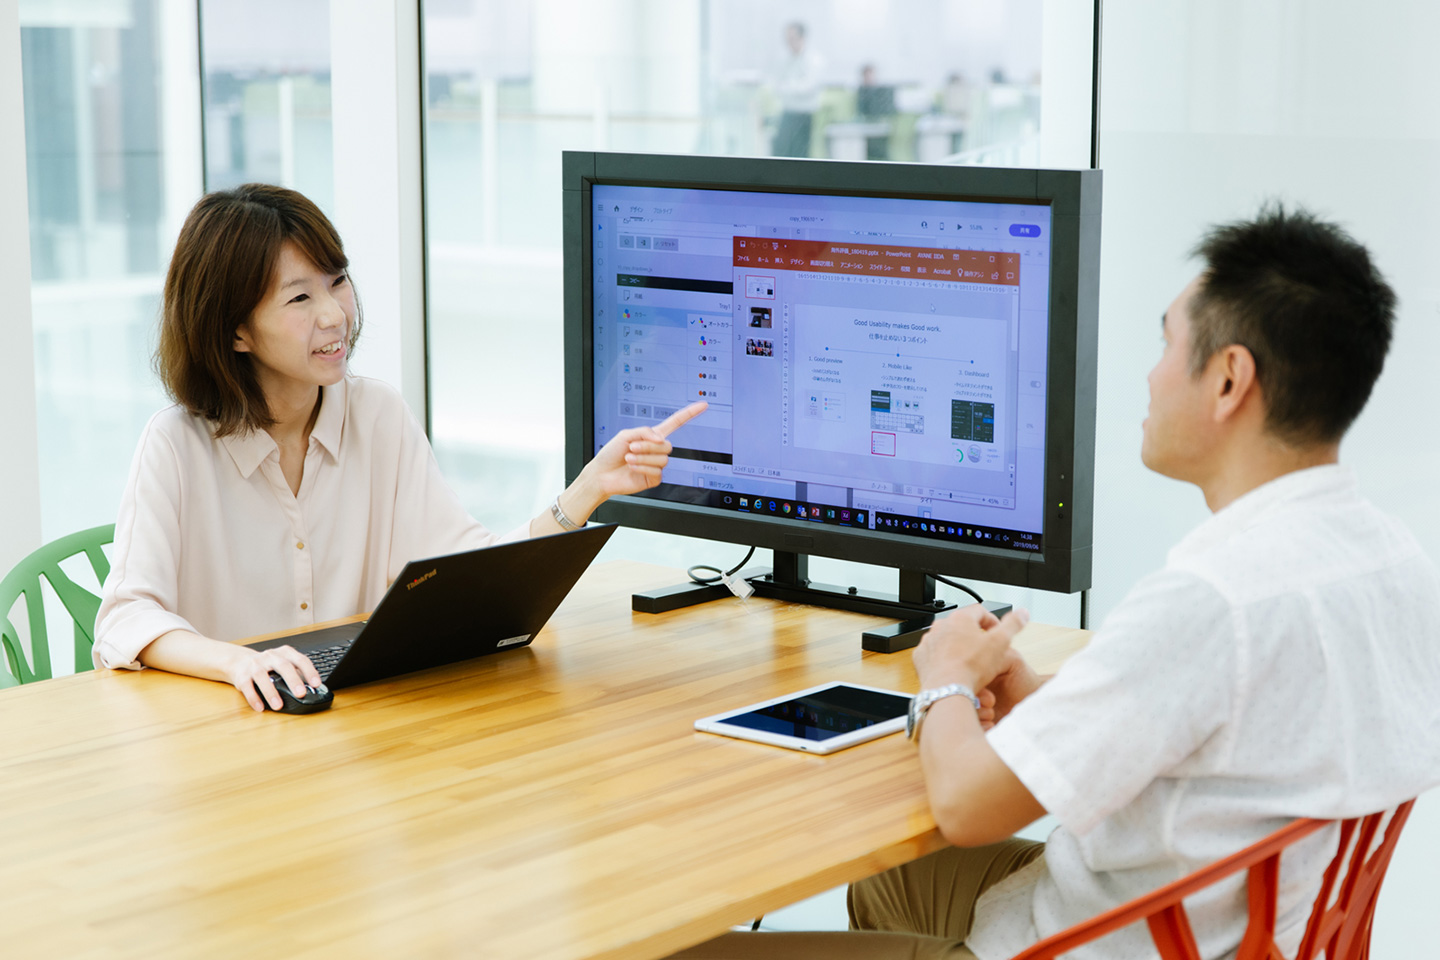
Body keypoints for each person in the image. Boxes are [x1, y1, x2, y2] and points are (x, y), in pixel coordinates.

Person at [669, 207, 1440, 959]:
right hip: (1227, 928)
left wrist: (944, 681)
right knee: (889, 888)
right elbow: (1220, 756)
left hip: (1084, 941)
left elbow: (966, 807)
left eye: (1166, 342)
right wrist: (1034, 694)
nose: (1149, 373)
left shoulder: (1213, 599)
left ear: (1229, 378)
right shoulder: (1387, 557)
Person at [95, 183, 705, 712]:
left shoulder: (376, 414)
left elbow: (473, 574)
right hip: (222, 735)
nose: (335, 314)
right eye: (300, 298)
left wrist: (589, 488)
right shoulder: (176, 444)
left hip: (354, 728)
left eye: (338, 282)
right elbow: (127, 618)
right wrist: (235, 663)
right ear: (234, 330)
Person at [772, 22, 823, 158]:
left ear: (802, 38)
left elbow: (808, 87)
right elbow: (777, 85)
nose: (788, 42)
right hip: (787, 113)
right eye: (787, 39)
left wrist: (788, 86)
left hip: (803, 116)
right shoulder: (785, 59)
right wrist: (790, 86)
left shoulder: (813, 59)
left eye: (792, 38)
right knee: (781, 153)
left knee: (799, 155)